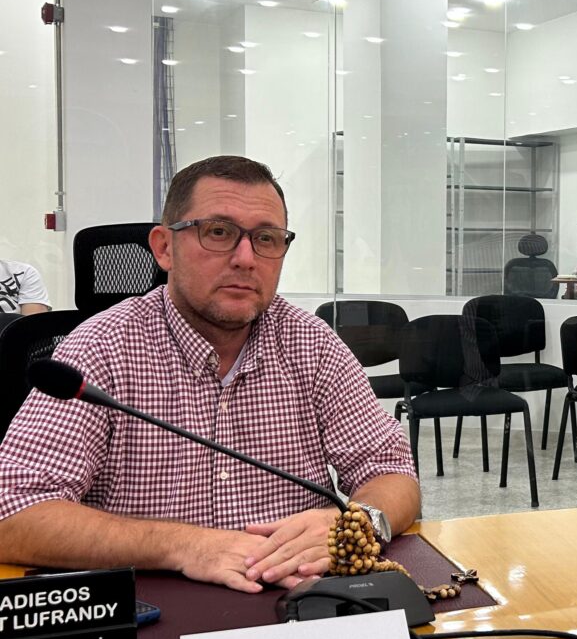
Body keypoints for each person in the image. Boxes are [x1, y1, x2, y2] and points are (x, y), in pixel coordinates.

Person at [0, 156, 420, 593]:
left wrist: (358, 524)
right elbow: (11, 512)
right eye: (218, 232)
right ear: (164, 247)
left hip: (298, 599)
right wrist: (183, 545)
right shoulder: (102, 348)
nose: (246, 259)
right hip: (156, 605)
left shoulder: (311, 344)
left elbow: (391, 471)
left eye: (266, 238)